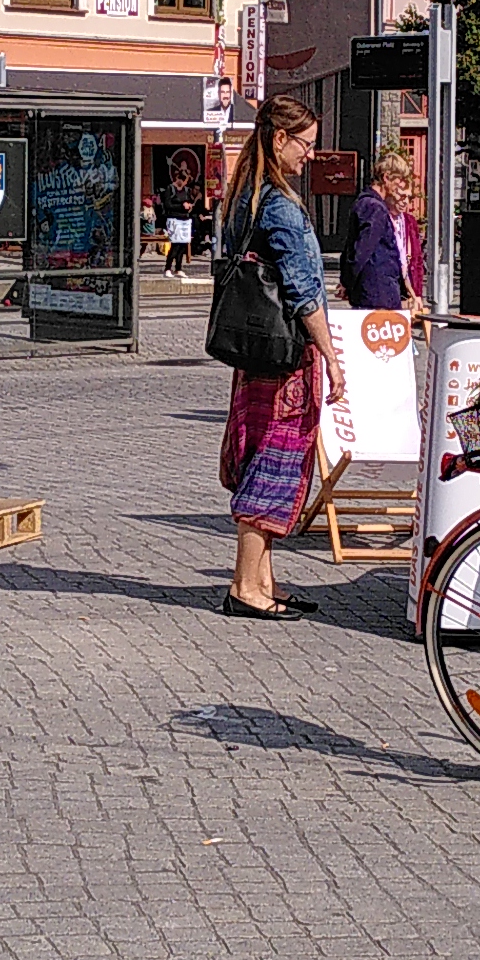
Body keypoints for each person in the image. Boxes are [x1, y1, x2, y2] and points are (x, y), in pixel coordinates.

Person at [215, 97, 343, 620]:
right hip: (287, 357)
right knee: (274, 462)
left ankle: (263, 579)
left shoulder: (243, 198)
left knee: (262, 456)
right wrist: (331, 356)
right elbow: (303, 293)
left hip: (256, 354)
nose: (310, 155)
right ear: (280, 139)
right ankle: (247, 587)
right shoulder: (282, 208)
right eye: (306, 144)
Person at [345, 149, 420, 313]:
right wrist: (347, 282)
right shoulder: (375, 208)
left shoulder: (364, 203)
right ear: (386, 178)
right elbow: (361, 251)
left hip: (373, 292)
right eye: (399, 180)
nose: (401, 186)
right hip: (378, 294)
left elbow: (351, 247)